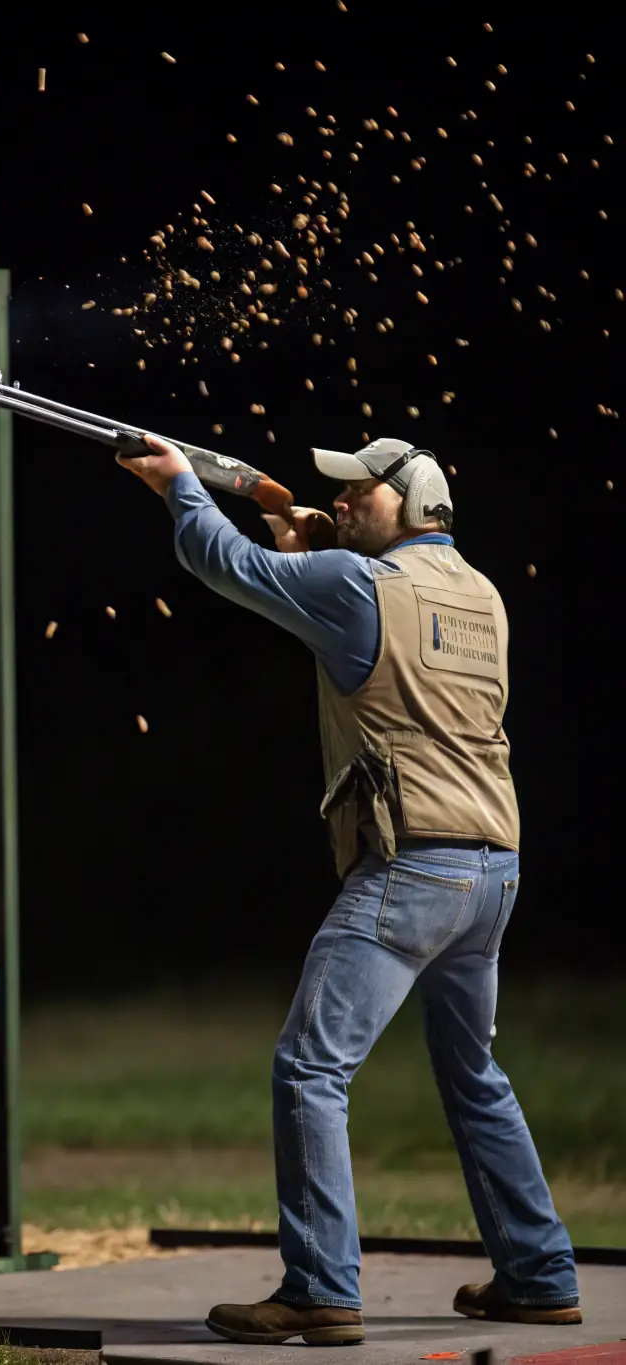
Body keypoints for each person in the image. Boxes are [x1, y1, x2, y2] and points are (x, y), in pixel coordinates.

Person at [117, 435, 581, 1346]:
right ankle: (539, 1272)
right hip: (494, 866)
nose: (344, 499)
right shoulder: (480, 594)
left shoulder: (359, 583)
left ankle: (322, 1287)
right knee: (475, 1076)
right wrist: (310, 547)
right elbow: (383, 652)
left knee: (309, 1067)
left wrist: (180, 485)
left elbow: (221, 561)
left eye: (359, 490)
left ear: (407, 503)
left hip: (412, 865)